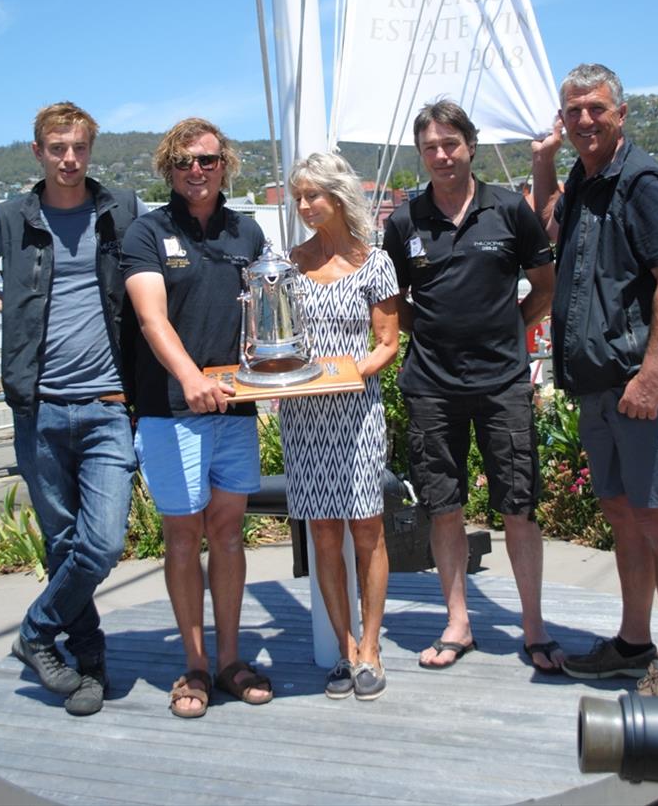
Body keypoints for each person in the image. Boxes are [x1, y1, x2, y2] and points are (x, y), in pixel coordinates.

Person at [0, 101, 140, 717]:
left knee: (103, 542)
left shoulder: (121, 210)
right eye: (57, 148)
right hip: (38, 408)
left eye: (79, 148)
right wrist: (8, 305)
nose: (69, 159)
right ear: (38, 152)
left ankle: (35, 634)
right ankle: (87, 665)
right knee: (63, 544)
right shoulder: (10, 218)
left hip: (109, 403)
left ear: (91, 149)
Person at [531, 63, 658, 696]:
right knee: (624, 515)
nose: (583, 120)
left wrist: (653, 377)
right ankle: (634, 643)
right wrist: (545, 161)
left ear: (620, 113)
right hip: (598, 383)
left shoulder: (641, 180)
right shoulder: (583, 177)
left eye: (595, 109)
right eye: (572, 111)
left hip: (639, 386)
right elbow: (548, 224)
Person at [383, 98, 564, 674]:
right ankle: (458, 621)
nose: (441, 155)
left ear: (470, 146)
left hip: (503, 383)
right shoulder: (405, 221)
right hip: (431, 386)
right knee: (443, 507)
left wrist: (511, 327)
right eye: (430, 147)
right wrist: (434, 330)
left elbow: (544, 285)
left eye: (450, 145)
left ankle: (533, 627)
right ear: (421, 154)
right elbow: (394, 304)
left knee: (519, 506)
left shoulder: (510, 210)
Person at [120, 117, 272, 719]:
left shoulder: (249, 233)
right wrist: (189, 378)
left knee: (229, 533)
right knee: (183, 537)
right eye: (184, 162)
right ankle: (195, 665)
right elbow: (152, 319)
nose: (197, 171)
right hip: (171, 411)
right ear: (169, 168)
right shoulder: (147, 232)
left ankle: (231, 659)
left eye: (207, 160)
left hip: (235, 406)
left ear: (225, 163)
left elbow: (267, 316)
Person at [283, 153, 399, 701]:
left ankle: (372, 647)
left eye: (314, 195)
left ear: (338, 195)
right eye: (298, 196)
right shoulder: (288, 264)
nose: (305, 206)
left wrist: (346, 374)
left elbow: (389, 344)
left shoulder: (375, 262)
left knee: (366, 529)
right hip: (304, 416)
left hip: (357, 411)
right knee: (323, 531)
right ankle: (345, 648)